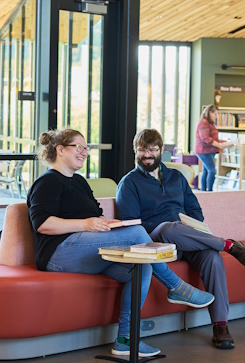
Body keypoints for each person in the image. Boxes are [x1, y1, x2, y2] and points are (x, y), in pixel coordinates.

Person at [27, 128, 215, 358]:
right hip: (58, 254)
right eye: (80, 147)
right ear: (60, 149)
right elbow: (43, 224)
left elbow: (96, 215)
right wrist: (87, 224)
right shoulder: (47, 182)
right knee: (137, 233)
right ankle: (176, 287)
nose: (85, 152)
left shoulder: (79, 182)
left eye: (86, 148)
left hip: (86, 251)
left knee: (141, 265)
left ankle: (125, 340)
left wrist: (109, 225)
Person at [116, 128, 245, 350]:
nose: (147, 155)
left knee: (212, 257)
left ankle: (220, 324)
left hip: (186, 239)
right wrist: (173, 228)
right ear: (135, 151)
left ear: (161, 150)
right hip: (156, 241)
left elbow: (195, 210)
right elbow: (133, 226)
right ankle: (229, 245)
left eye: (152, 150)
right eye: (142, 150)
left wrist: (191, 227)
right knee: (168, 228)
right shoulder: (129, 183)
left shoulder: (176, 177)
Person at [194, 104, 234, 191]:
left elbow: (213, 137)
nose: (216, 117)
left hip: (208, 151)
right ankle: (209, 191)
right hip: (204, 150)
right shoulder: (204, 122)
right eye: (215, 114)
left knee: (206, 170)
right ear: (209, 113)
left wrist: (224, 142)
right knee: (212, 171)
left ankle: (204, 191)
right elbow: (205, 138)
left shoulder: (209, 123)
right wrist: (219, 145)